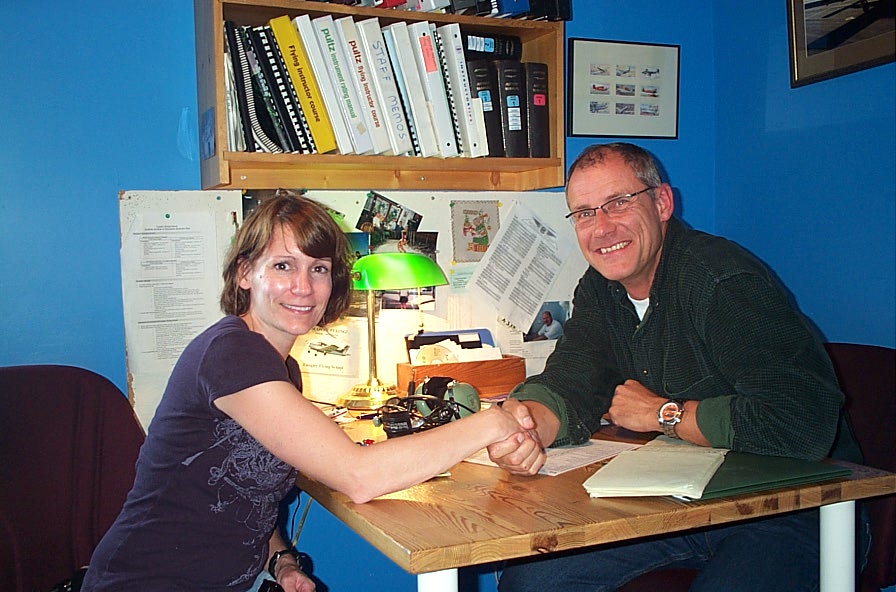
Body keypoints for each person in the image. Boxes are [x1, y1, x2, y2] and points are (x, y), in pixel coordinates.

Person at [82, 195, 536, 592]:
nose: (303, 286)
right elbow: (359, 477)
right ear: (245, 274)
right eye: (283, 266)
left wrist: (279, 559)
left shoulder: (282, 368)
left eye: (318, 268)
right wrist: (491, 422)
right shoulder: (231, 353)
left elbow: (243, 496)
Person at [487, 143, 864, 592]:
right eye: (585, 213)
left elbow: (800, 422)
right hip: (684, 499)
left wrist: (663, 414)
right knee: (531, 581)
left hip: (794, 506)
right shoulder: (600, 288)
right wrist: (526, 425)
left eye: (618, 203)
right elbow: (574, 375)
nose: (602, 228)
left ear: (662, 203)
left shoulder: (723, 282)